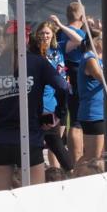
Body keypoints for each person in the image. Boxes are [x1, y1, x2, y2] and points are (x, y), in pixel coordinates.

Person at [0, 22, 70, 190]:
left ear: (5, 39)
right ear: (27, 39)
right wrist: (58, 113)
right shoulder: (38, 62)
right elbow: (63, 87)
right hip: (30, 138)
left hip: (1, 139)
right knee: (34, 200)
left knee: (0, 200)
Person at [32, 22, 73, 171]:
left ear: (53, 35)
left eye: (47, 33)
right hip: (41, 102)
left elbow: (78, 41)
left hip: (58, 99)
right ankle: (54, 172)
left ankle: (56, 172)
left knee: (56, 142)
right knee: (51, 141)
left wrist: (61, 25)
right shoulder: (33, 53)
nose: (44, 36)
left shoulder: (58, 49)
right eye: (41, 33)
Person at [54, 3, 87, 162]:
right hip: (75, 75)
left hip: (61, 75)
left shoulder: (61, 32)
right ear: (82, 17)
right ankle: (76, 159)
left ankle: (59, 157)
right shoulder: (79, 33)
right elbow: (81, 42)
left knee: (62, 116)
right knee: (76, 120)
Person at [77, 32, 106, 169]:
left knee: (101, 154)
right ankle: (74, 179)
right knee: (92, 155)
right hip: (93, 113)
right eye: (101, 38)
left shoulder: (99, 58)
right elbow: (102, 77)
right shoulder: (89, 57)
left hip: (102, 112)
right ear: (93, 41)